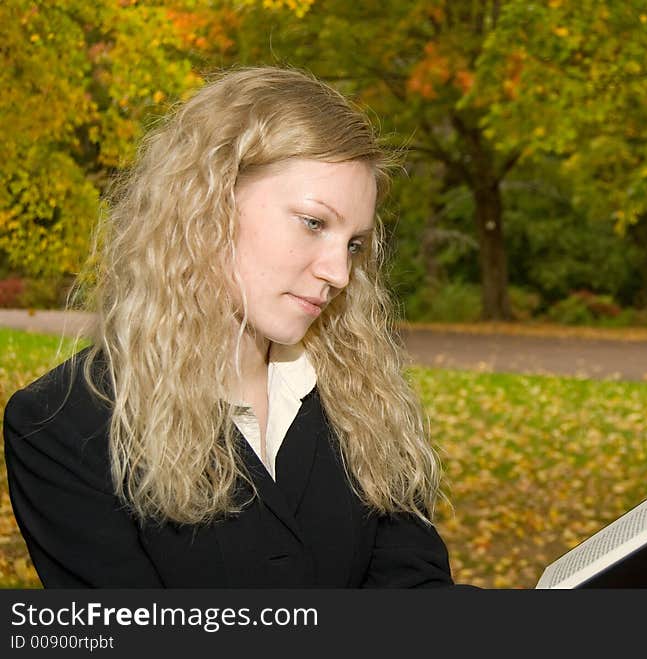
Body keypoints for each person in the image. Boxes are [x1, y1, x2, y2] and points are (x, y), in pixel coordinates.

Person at [3, 66, 459, 588]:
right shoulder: (64, 427)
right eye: (314, 222)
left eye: (354, 244)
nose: (339, 272)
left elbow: (414, 595)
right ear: (208, 203)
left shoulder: (364, 400)